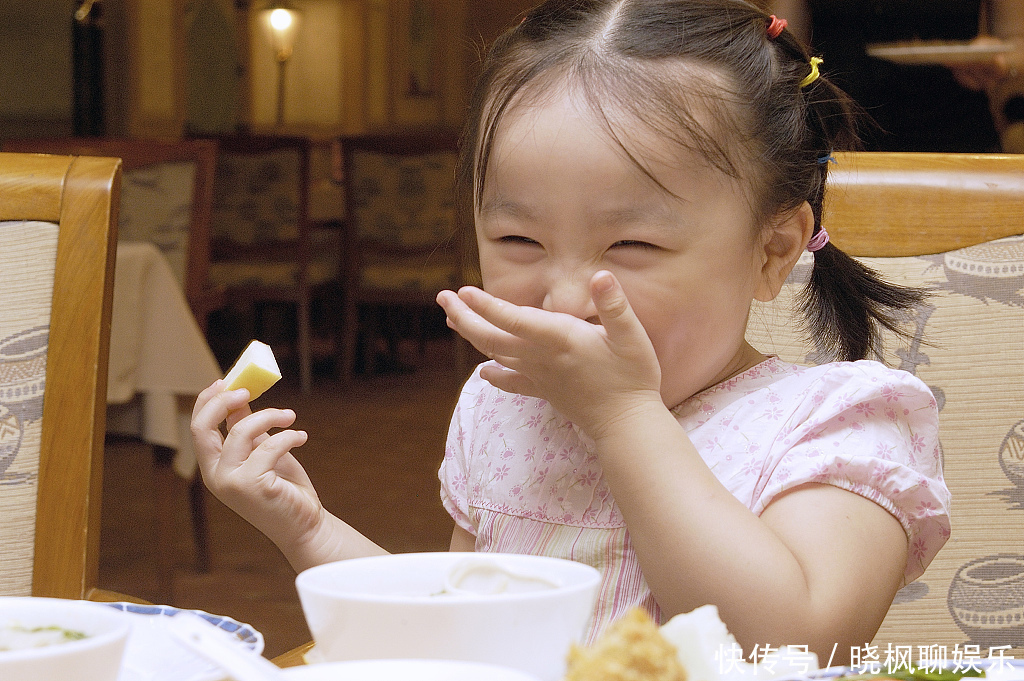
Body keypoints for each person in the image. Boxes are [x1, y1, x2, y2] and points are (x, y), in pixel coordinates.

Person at [191, 0, 951, 663]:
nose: (562, 298)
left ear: (773, 249)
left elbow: (793, 646)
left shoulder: (839, 423)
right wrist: (310, 529)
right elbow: (460, 639)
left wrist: (623, 417)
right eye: (519, 242)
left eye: (632, 247)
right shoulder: (505, 407)